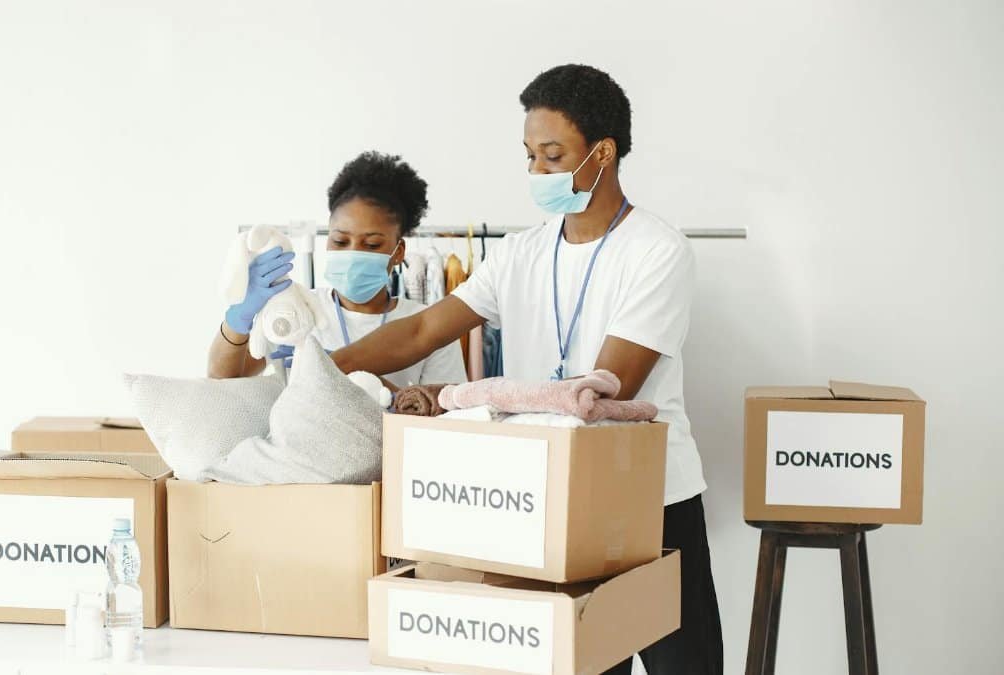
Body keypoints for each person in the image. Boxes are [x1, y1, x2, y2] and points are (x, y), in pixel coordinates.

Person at [331, 65, 722, 674]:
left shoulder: (657, 250)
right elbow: (421, 329)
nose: (537, 172)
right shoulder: (519, 253)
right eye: (529, 156)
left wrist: (460, 395)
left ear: (603, 153)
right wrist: (327, 367)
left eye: (551, 155)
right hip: (547, 496)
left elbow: (610, 388)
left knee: (686, 665)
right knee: (577, 662)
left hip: (647, 497)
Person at [208, 151, 467, 389]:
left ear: (398, 252)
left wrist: (366, 382)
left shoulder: (430, 328)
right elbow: (222, 380)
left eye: (372, 244)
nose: (353, 254)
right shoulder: (299, 311)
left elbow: (445, 422)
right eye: (340, 241)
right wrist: (238, 317)